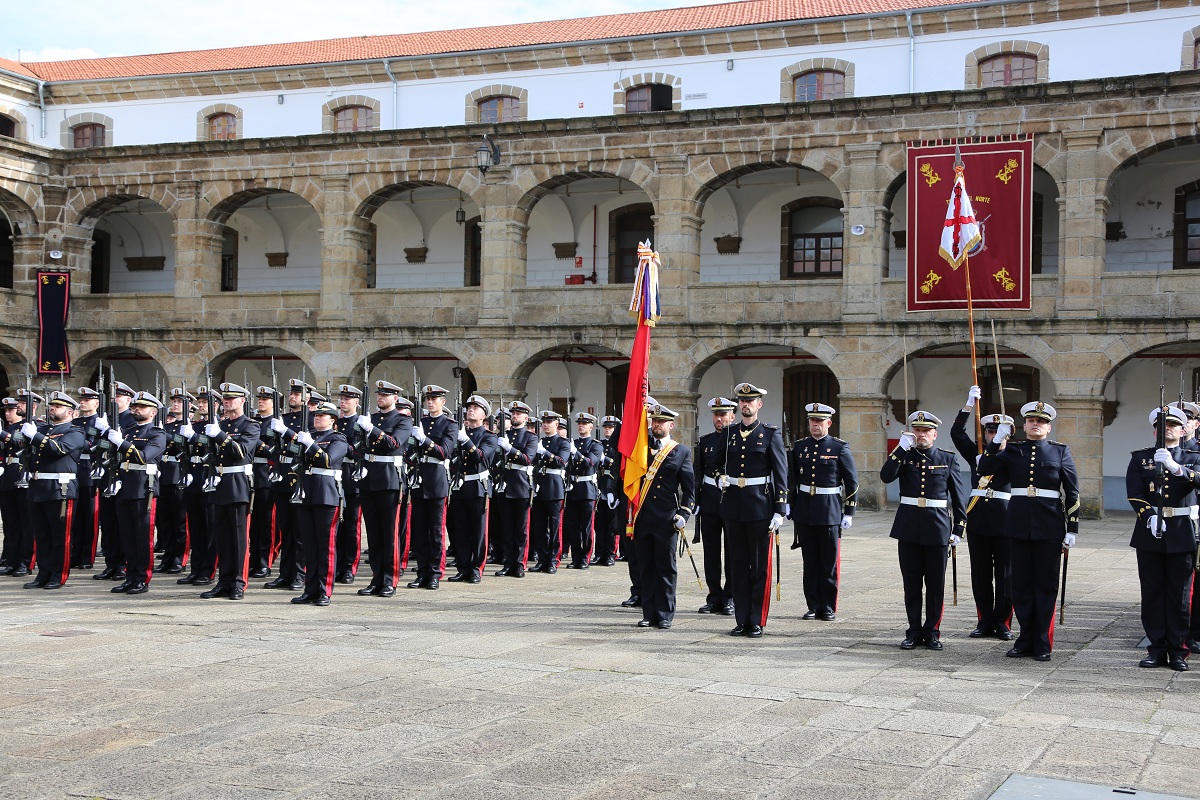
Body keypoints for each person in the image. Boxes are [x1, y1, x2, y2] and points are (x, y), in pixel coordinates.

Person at [978, 400, 1080, 662]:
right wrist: (996, 442)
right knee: (1021, 586)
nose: (1036, 424)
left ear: (1049, 427)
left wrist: (1072, 528)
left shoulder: (1060, 451)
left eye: (1042, 421)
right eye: (1032, 420)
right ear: (1024, 425)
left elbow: (1072, 491)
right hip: (1018, 524)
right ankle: (1024, 640)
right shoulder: (1013, 450)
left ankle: (1043, 642)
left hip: (1049, 526)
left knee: (1045, 586)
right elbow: (984, 469)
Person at [880, 411, 967, 650]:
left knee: (935, 585)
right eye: (917, 430)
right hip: (908, 527)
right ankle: (913, 631)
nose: (921, 435)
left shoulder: (947, 458)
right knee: (911, 584)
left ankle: (932, 632)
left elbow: (958, 496)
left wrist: (959, 527)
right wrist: (900, 449)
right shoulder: (904, 456)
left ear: (934, 434)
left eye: (926, 431)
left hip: (937, 528)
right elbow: (886, 476)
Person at [1127, 405, 1199, 671]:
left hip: (1182, 530)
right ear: (1154, 431)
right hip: (1150, 532)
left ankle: (1178, 650)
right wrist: (1148, 516)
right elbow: (1134, 493)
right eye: (1161, 426)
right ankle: (1156, 649)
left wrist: (1177, 468)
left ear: (1182, 430)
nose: (1166, 429)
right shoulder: (1141, 458)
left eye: (1172, 425)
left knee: (1179, 596)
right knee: (1152, 593)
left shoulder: (1193, 456)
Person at [718, 383, 788, 638]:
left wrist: (780, 509)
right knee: (737, 565)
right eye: (742, 401)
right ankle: (742, 619)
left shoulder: (770, 434)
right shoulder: (729, 433)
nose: (745, 404)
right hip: (733, 507)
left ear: (759, 404)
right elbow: (715, 462)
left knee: (759, 566)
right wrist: (719, 476)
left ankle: (756, 620)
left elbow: (781, 473)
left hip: (760, 507)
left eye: (750, 401)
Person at [951, 387, 1016, 641]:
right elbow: (957, 434)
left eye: (998, 432)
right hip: (978, 520)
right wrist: (968, 405)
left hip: (1006, 520)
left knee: (1006, 576)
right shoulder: (977, 455)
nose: (993, 435)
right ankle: (984, 621)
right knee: (980, 575)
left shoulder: (1015, 455)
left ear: (1008, 434)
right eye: (990, 431)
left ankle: (1003, 622)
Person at [788, 402, 858, 622]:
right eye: (812, 421)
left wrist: (849, 511)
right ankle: (813, 605)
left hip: (829, 510)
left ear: (829, 423)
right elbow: (792, 479)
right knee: (810, 562)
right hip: (805, 510)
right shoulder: (800, 447)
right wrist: (789, 503)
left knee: (828, 562)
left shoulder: (839, 447)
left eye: (819, 421)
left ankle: (827, 606)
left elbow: (852, 481)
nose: (815, 425)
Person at [628, 403, 696, 630]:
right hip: (642, 516)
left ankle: (665, 613)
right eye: (654, 421)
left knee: (666, 567)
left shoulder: (681, 452)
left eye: (661, 422)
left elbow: (689, 489)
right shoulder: (641, 449)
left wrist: (684, 513)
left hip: (666, 519)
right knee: (646, 568)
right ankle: (649, 613)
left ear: (671, 425)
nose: (657, 425)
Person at [198, 382, 261, 600]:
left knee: (239, 538)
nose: (227, 402)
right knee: (222, 537)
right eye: (224, 399)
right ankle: (224, 582)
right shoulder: (222, 424)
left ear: (243, 400)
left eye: (231, 398)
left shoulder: (251, 426)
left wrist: (219, 435)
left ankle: (239, 583)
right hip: (219, 483)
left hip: (238, 484)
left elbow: (240, 451)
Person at [283, 401, 348, 606]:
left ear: (333, 420)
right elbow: (293, 459)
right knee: (309, 546)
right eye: (316, 415)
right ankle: (310, 589)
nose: (317, 418)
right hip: (306, 494)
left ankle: (324, 590)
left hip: (326, 496)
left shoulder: (338, 438)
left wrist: (310, 444)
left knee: (325, 546)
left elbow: (327, 460)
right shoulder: (309, 436)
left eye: (322, 416)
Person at [102, 391, 167, 595]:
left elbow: (144, 456)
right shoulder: (128, 431)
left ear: (153, 412)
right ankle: (130, 576)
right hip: (124, 488)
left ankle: (142, 578)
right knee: (127, 536)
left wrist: (121, 443)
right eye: (135, 406)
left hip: (143, 490)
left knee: (142, 537)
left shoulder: (157, 434)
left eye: (142, 407)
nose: (136, 409)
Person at [21, 391, 87, 590]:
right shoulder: (44, 430)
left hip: (61, 489)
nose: (52, 409)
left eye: (58, 407)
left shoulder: (76, 432)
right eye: (52, 406)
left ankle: (58, 575)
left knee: (60, 536)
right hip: (38, 487)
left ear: (71, 413)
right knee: (41, 535)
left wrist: (35, 436)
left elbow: (58, 449)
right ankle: (43, 574)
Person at [354, 380, 413, 597]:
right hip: (369, 479)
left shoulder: (403, 420)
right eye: (379, 394)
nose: (380, 398)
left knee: (390, 533)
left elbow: (393, 444)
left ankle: (390, 579)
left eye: (385, 395)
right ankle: (376, 578)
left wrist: (371, 429)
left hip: (389, 481)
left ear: (395, 398)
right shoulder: (371, 418)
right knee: (374, 534)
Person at [406, 384, 457, 589]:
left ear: (442, 402)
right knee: (419, 531)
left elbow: (445, 452)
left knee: (436, 532)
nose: (430, 402)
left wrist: (424, 440)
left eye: (434, 399)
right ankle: (422, 572)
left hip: (436, 481)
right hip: (419, 479)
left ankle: (435, 573)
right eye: (428, 399)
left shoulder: (450, 425)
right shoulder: (421, 422)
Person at [447, 395, 498, 583]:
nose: (471, 410)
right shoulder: (460, 433)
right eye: (469, 407)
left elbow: (479, 457)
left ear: (484, 415)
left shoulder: (490, 436)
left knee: (478, 531)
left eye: (476, 408)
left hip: (478, 488)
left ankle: (476, 568)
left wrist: (465, 440)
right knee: (460, 530)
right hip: (459, 486)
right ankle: (462, 568)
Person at [696, 397, 735, 615]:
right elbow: (698, 473)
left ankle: (730, 596)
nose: (719, 419)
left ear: (732, 416)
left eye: (723, 414)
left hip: (732, 499)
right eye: (716, 414)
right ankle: (714, 596)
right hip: (710, 499)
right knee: (710, 551)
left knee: (732, 551)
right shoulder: (706, 441)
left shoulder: (738, 439)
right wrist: (696, 500)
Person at [493, 401, 539, 577]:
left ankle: (519, 563)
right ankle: (508, 562)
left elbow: (527, 459)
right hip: (504, 484)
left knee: (521, 529)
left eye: (518, 414)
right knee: (506, 528)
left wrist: (509, 449)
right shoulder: (504, 435)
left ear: (526, 418)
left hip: (521, 485)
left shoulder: (531, 437)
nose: (514, 416)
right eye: (513, 413)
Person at [155, 388, 193, 575]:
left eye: (179, 401)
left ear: (189, 405)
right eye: (174, 401)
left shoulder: (189, 427)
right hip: (164, 475)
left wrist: (163, 435)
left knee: (180, 522)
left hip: (179, 474)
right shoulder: (168, 425)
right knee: (165, 521)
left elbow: (180, 445)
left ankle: (180, 558)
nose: (175, 404)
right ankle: (168, 557)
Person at [563, 412, 604, 570]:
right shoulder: (573, 443)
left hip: (587, 490)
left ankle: (585, 557)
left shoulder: (596, 445)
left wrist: (575, 453)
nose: (581, 426)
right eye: (579, 423)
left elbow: (589, 463)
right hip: (573, 488)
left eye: (584, 424)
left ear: (591, 427)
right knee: (573, 526)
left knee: (586, 526)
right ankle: (575, 557)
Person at [531, 410, 571, 572]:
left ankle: (554, 560)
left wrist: (544, 452)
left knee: (555, 526)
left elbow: (561, 461)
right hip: (539, 486)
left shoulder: (563, 442)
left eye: (549, 422)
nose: (546, 425)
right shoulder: (538, 441)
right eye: (544, 422)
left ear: (556, 424)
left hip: (554, 487)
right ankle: (542, 559)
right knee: (539, 526)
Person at [594, 416, 624, 569]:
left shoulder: (618, 445)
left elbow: (616, 464)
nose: (607, 430)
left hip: (612, 483)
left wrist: (605, 460)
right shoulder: (598, 444)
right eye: (605, 427)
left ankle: (611, 554)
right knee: (599, 524)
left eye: (610, 427)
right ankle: (599, 553)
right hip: (600, 484)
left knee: (612, 524)